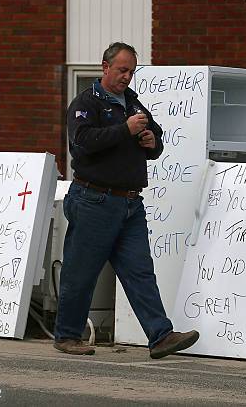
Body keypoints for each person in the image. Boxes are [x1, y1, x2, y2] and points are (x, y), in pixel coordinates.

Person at [53, 42, 199, 357]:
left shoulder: (132, 103)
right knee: (82, 271)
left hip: (130, 203)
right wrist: (124, 129)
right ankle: (67, 335)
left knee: (140, 270)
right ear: (104, 67)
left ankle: (161, 336)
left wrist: (151, 141)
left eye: (131, 71)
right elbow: (82, 143)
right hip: (94, 199)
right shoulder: (86, 103)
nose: (127, 77)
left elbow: (156, 143)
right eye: (121, 70)